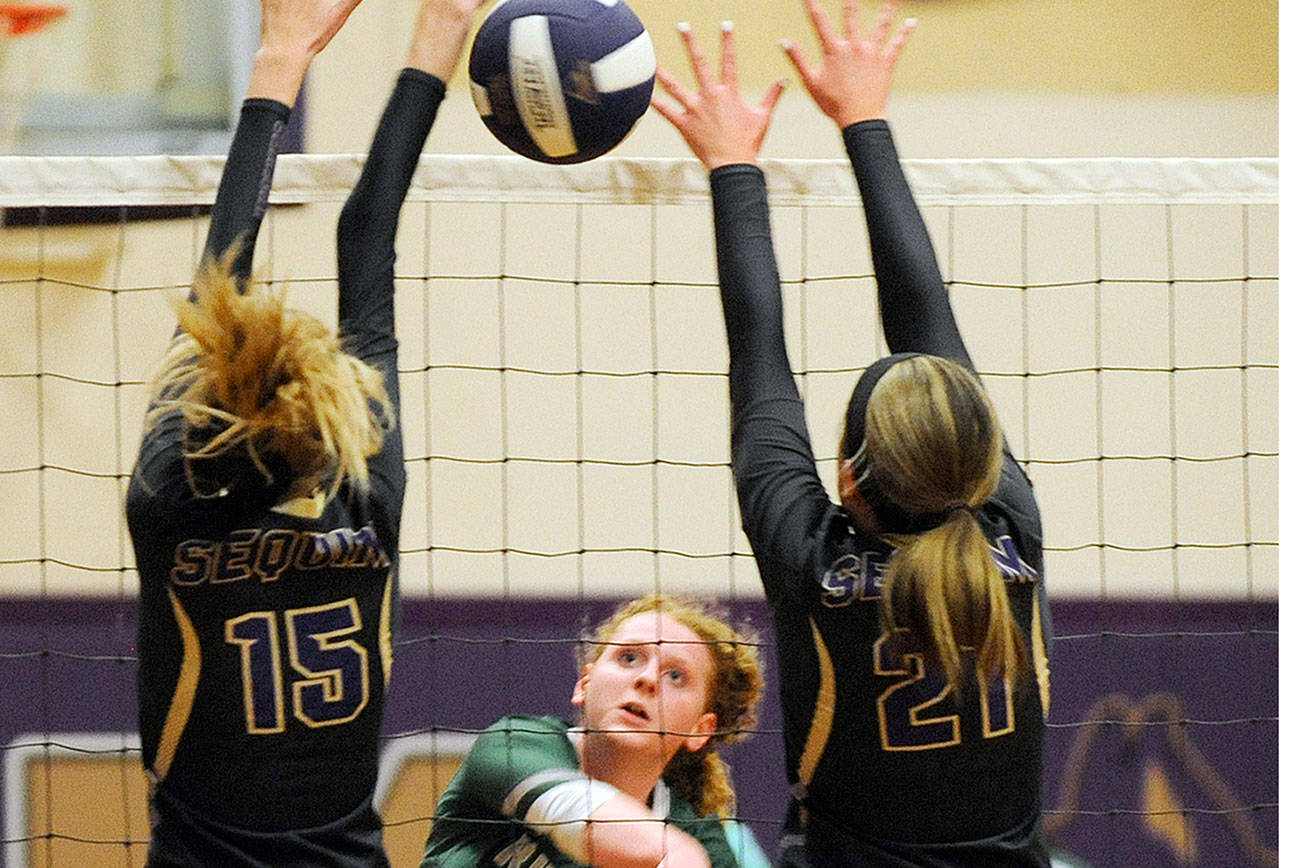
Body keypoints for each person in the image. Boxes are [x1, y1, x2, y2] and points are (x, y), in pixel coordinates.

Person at [653, 1, 1053, 865]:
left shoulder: (816, 560)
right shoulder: (1008, 535)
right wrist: (861, 122)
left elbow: (760, 351)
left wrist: (736, 166)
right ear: (977, 463)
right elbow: (921, 323)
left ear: (846, 478)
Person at [125, 0, 489, 862]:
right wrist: (439, 38)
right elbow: (362, 236)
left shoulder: (173, 512)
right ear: (337, 430)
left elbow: (223, 273)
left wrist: (280, 55)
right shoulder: (366, 500)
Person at [421, 595, 764, 868]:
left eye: (676, 676)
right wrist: (673, 850)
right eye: (629, 658)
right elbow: (595, 827)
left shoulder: (698, 835)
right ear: (584, 684)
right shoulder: (514, 744)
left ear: (699, 730)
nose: (645, 680)